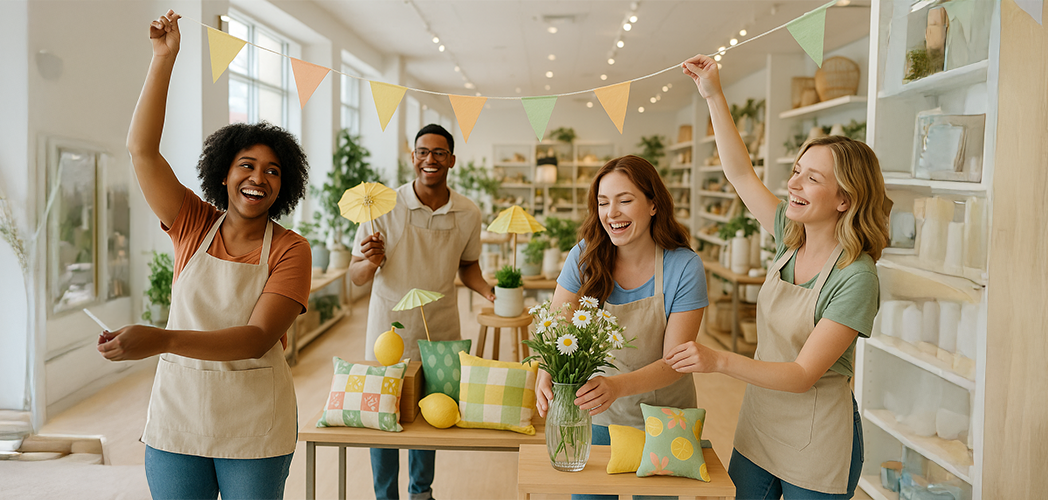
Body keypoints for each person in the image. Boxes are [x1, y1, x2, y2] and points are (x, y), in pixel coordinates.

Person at [98, 10, 311, 499]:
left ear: (284, 186)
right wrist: (163, 58)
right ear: (223, 174)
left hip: (255, 422)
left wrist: (161, 339)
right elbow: (141, 151)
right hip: (179, 415)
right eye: (246, 165)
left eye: (273, 171)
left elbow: (257, 338)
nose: (258, 178)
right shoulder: (192, 223)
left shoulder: (291, 249)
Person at [666, 54, 888, 499]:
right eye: (796, 172)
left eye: (812, 179)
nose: (794, 185)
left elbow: (803, 374)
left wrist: (718, 360)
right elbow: (739, 173)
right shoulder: (789, 235)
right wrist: (712, 93)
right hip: (759, 424)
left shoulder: (856, 277)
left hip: (817, 438)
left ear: (845, 199)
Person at [348, 123, 495, 500]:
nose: (430, 159)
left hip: (439, 326)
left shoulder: (468, 212)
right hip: (389, 329)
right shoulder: (383, 207)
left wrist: (490, 291)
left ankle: (421, 493)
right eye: (423, 152)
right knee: (383, 413)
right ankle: (385, 496)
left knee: (433, 410)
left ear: (452, 160)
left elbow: (468, 267)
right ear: (412, 157)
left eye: (439, 153)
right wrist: (371, 261)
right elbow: (356, 276)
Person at [534, 155, 709, 470]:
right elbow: (557, 328)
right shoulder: (584, 257)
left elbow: (677, 362)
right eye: (603, 203)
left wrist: (616, 387)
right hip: (598, 411)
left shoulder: (684, 266)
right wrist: (547, 371)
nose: (611, 213)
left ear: (653, 204)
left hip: (664, 419)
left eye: (625, 200)